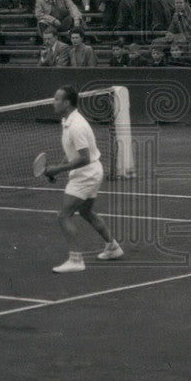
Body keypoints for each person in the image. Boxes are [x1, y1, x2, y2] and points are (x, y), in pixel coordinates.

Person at [42, 86, 122, 273]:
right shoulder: (67, 120)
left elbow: (84, 157)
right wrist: (57, 171)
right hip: (91, 172)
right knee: (86, 212)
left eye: (56, 99)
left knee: (64, 216)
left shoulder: (76, 125)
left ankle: (76, 260)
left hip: (86, 175)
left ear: (67, 102)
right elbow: (72, 153)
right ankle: (113, 247)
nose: (53, 102)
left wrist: (58, 168)